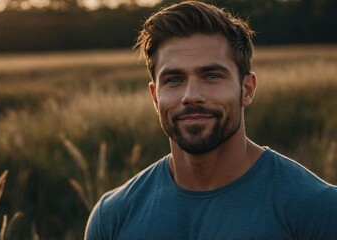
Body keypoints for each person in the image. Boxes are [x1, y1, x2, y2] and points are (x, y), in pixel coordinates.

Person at [85, 1, 337, 239]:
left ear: (247, 89)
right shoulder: (112, 217)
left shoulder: (317, 209)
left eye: (212, 76)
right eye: (174, 79)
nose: (191, 96)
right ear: (154, 96)